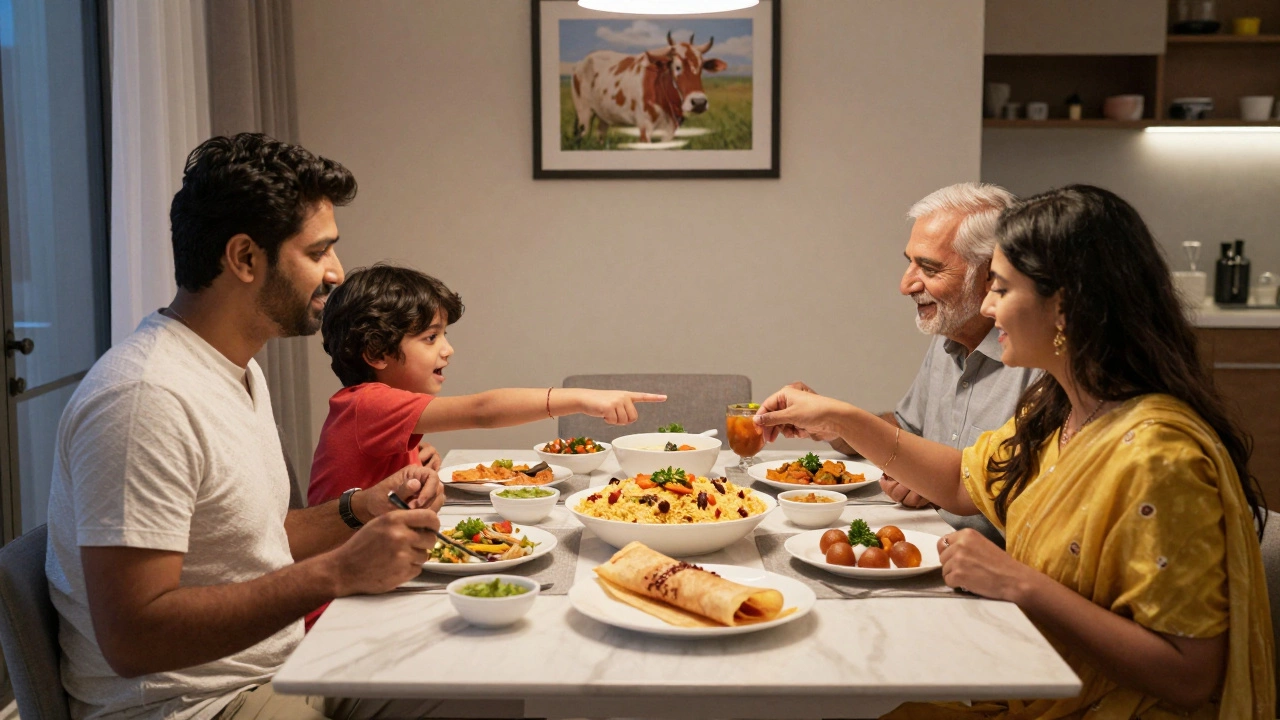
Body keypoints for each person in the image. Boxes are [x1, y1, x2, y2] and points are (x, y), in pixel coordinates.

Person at [754, 185, 1273, 718]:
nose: (984, 305)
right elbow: (960, 483)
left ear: (1066, 306)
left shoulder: (1160, 458)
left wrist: (1017, 582)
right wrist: (838, 417)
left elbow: (1188, 677)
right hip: (1031, 675)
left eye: (1000, 288)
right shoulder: (1055, 408)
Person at [45, 133, 447, 720]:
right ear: (245, 258)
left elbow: (245, 540)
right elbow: (134, 638)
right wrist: (335, 572)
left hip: (280, 669)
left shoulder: (234, 369)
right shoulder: (144, 400)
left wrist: (361, 507)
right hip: (191, 705)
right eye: (317, 252)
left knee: (489, 682)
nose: (336, 272)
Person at [304, 262, 663, 627]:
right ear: (377, 353)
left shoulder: (372, 406)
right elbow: (482, 411)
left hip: (373, 580)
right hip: (338, 607)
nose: (448, 350)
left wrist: (413, 458)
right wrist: (582, 399)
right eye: (431, 338)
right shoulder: (368, 404)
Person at [795, 182, 1034, 547]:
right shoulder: (948, 339)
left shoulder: (1039, 362)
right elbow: (906, 436)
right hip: (925, 541)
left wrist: (842, 418)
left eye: (929, 268)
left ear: (991, 273)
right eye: (910, 262)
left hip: (990, 568)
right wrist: (831, 424)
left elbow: (1022, 501)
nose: (905, 284)